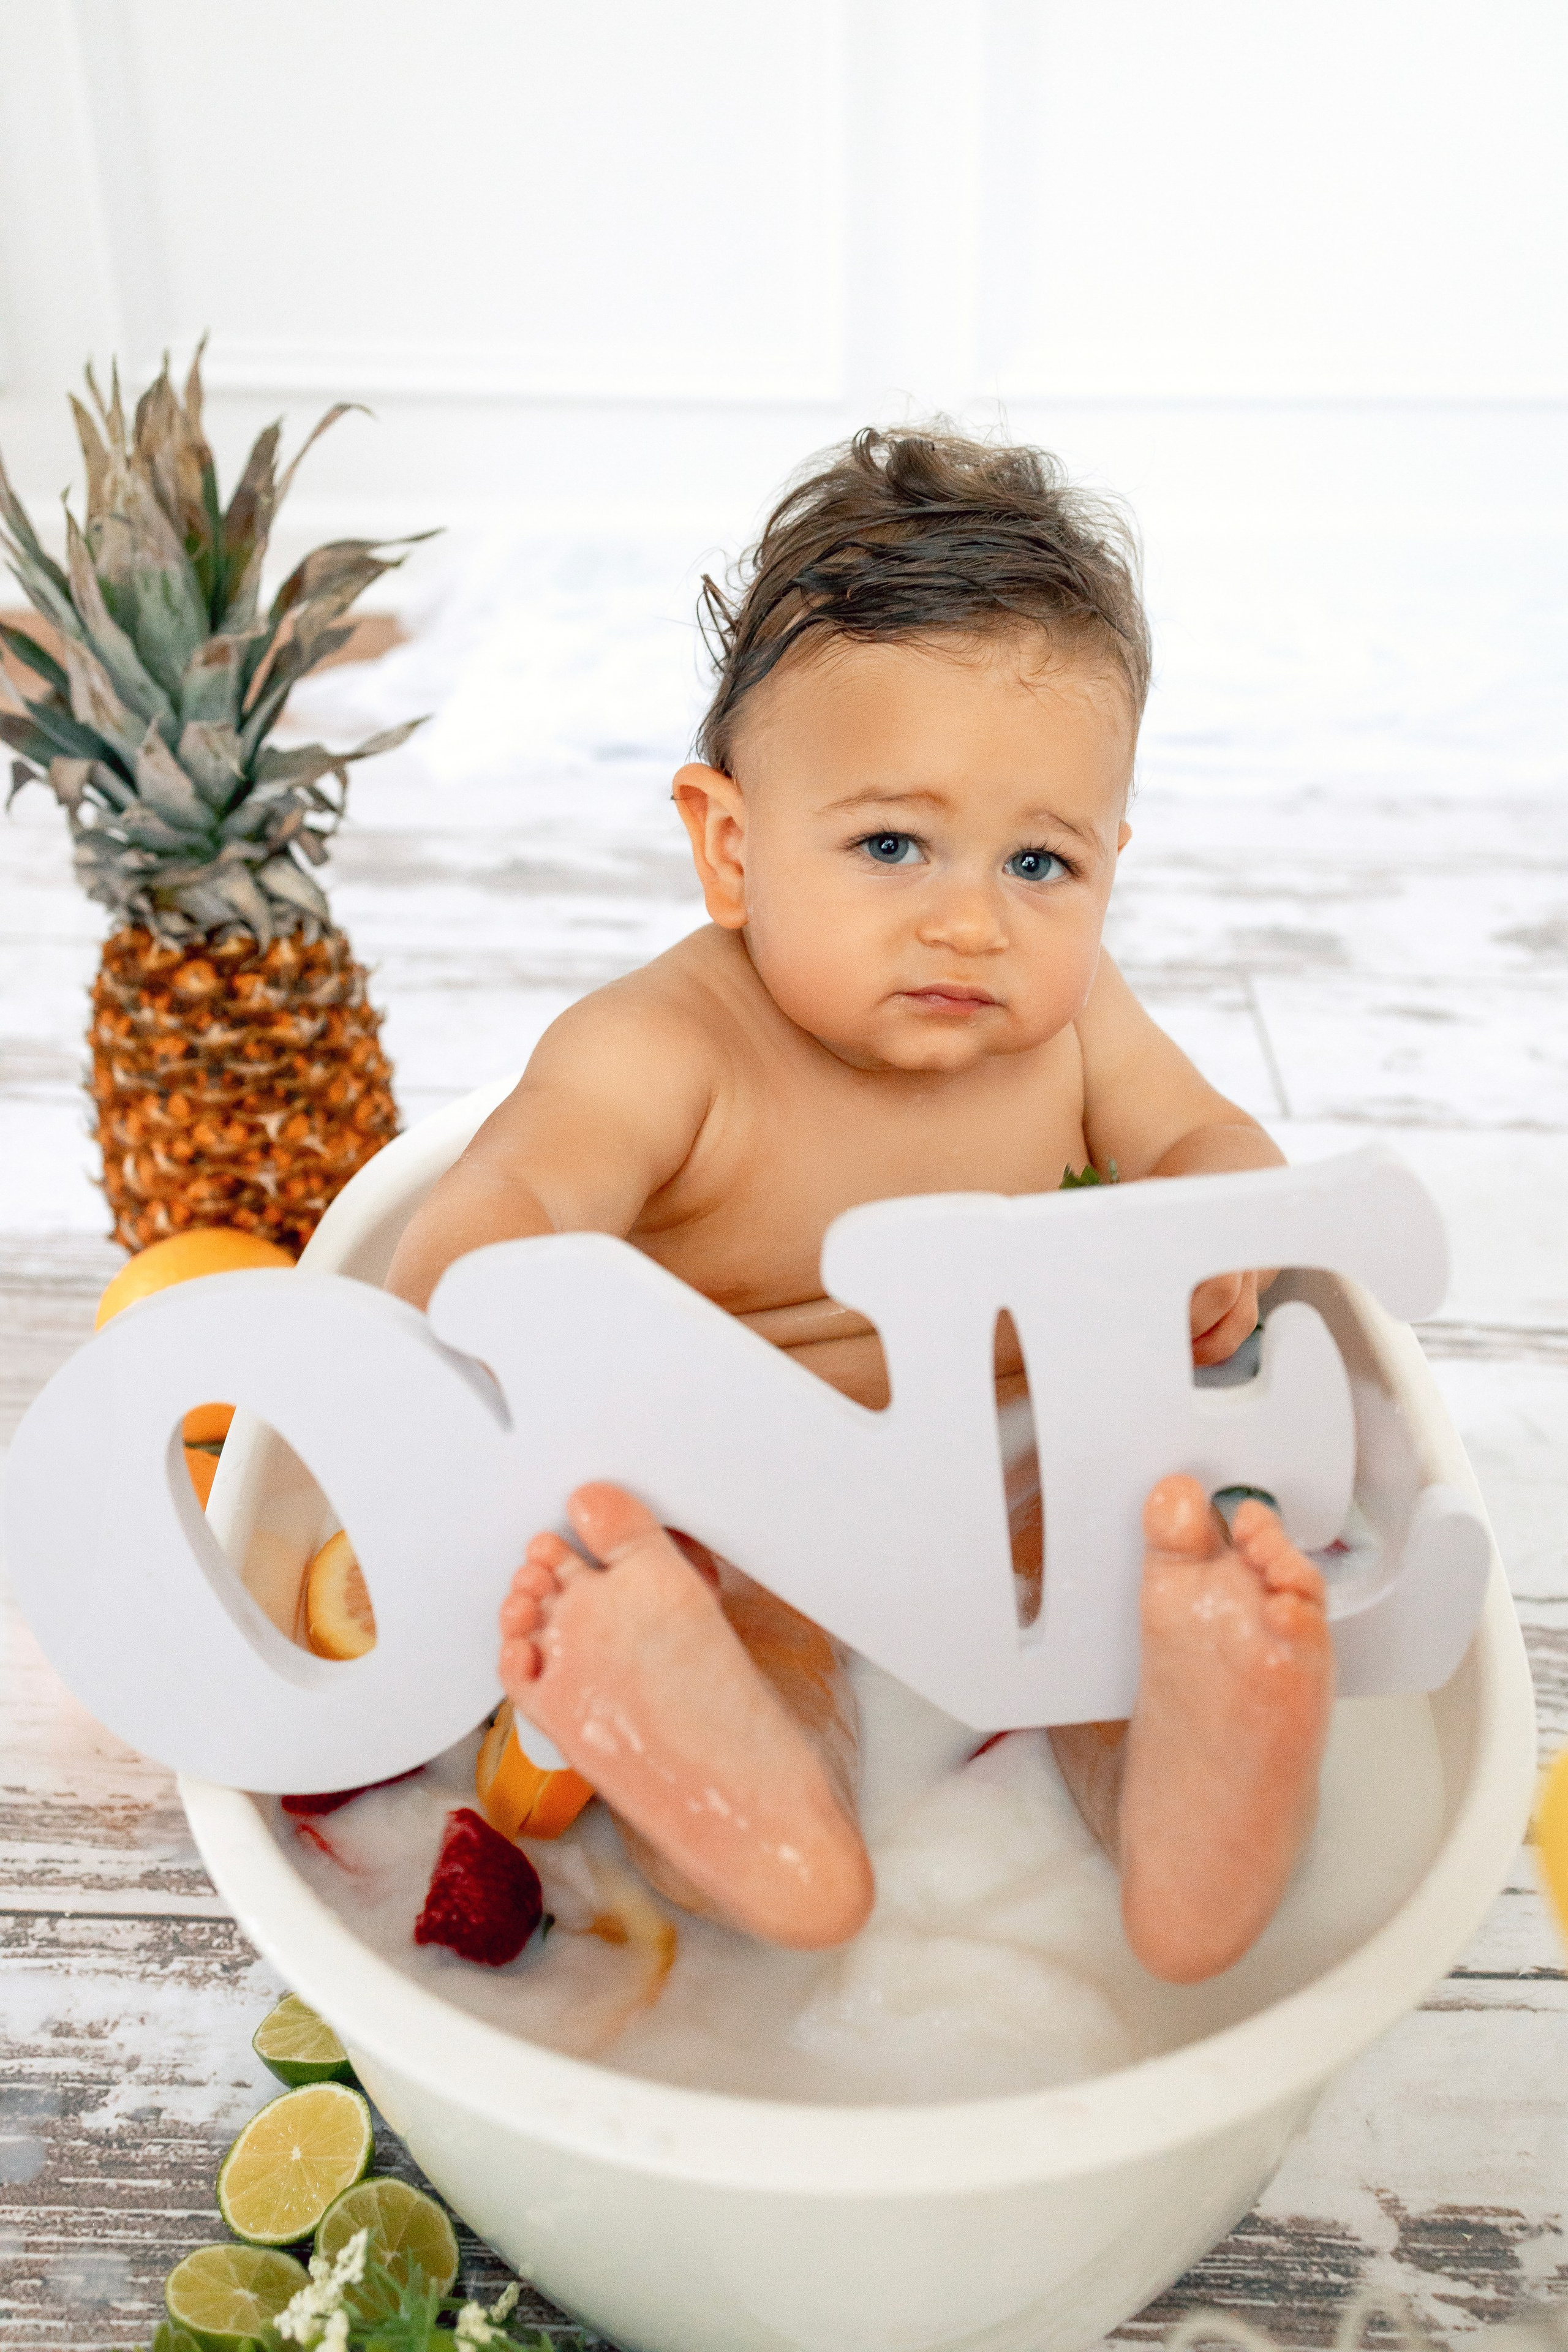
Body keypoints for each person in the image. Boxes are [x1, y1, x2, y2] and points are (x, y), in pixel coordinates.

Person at [386, 428, 1333, 1985]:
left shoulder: (1081, 1019)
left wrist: (1216, 1232)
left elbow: (1212, 1143)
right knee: (733, 1619)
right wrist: (514, 1287)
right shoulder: (663, 1048)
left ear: (1111, 865)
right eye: (891, 842)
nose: (970, 915)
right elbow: (489, 1218)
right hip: (750, 1495)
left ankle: (1198, 1785)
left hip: (1036, 1474)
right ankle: (735, 1786)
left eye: (1039, 859)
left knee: (1132, 1564)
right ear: (733, 846)